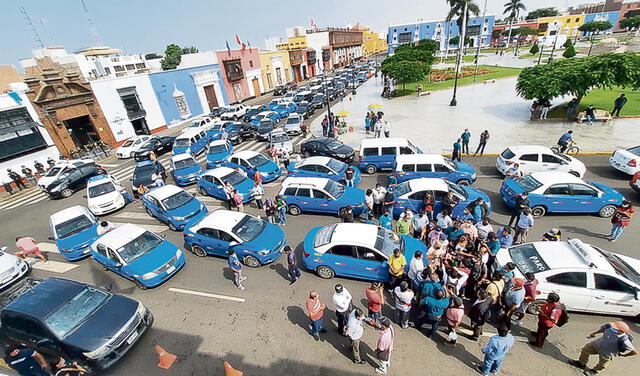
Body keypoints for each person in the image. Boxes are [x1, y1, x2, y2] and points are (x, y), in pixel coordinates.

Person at [570, 321, 638, 375]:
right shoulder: (610, 327)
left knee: (602, 364)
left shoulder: (625, 340)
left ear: (621, 331)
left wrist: (624, 355)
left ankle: (594, 371)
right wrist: (594, 333)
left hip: (608, 353)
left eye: (615, 328)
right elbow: (603, 329)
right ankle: (581, 363)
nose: (612, 327)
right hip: (597, 344)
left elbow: (635, 352)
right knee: (585, 350)